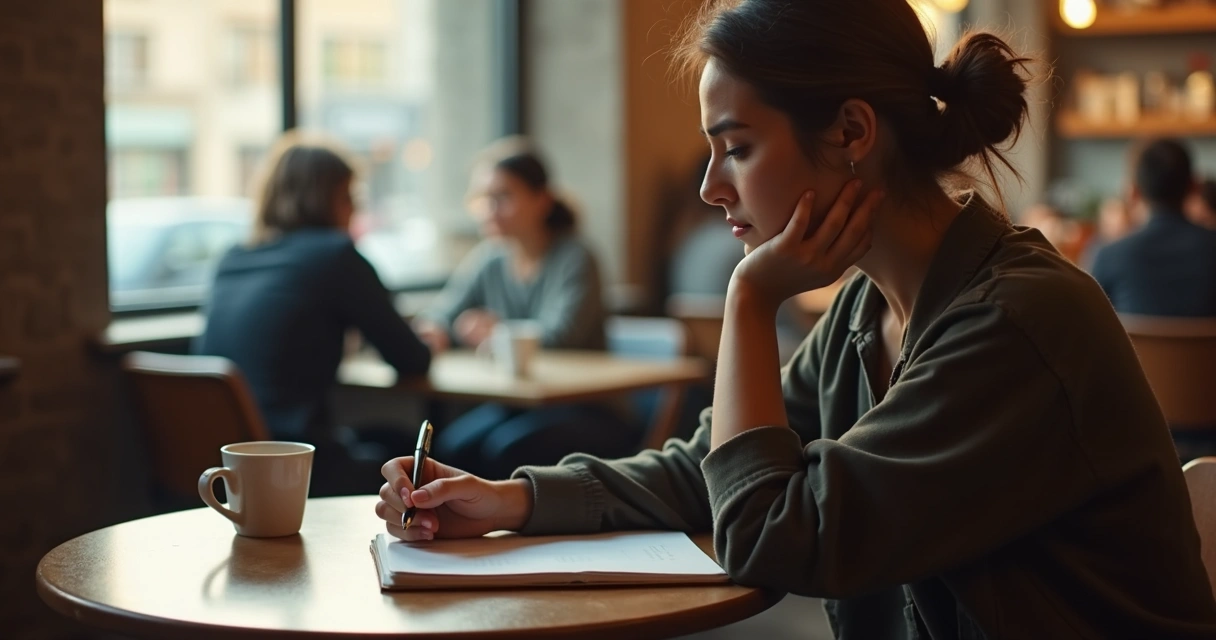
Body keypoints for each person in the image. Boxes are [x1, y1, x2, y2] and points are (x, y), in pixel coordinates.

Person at [375, 1, 1216, 637]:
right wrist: (511, 501)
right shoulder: (869, 304)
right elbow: (714, 467)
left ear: (852, 130)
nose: (711, 186)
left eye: (736, 146)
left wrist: (749, 297)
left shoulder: (1018, 321)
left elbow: (770, 537)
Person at [194, 131, 431, 495]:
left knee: (391, 438)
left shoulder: (235, 257)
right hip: (294, 466)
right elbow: (411, 359)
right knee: (423, 460)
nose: (354, 210)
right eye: (349, 197)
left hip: (223, 464)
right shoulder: (335, 255)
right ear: (331, 199)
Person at [412, 138, 639, 480]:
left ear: (542, 199)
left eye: (503, 197)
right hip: (520, 403)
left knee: (505, 450)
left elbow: (561, 335)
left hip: (588, 406)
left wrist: (498, 330)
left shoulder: (575, 257)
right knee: (453, 449)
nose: (490, 209)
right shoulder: (491, 258)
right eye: (483, 199)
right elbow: (445, 311)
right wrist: (435, 329)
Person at [1091, 139, 1216, 317]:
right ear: (1194, 187)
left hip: (1134, 347)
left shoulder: (1108, 257)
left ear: (1134, 192)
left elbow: (1091, 329)